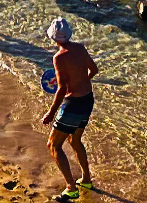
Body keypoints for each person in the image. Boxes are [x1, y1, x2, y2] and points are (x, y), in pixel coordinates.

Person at [41, 16, 98, 199]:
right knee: (75, 140)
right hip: (88, 100)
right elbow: (94, 70)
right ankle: (86, 179)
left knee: (53, 145)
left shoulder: (59, 58)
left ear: (53, 37)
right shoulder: (80, 48)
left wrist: (51, 113)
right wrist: (81, 82)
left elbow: (61, 89)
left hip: (73, 104)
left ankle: (71, 188)